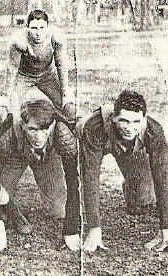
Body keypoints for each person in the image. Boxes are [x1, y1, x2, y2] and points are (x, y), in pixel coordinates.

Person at [0, 96, 81, 252]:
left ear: (53, 125)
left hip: (47, 157)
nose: (39, 137)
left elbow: (73, 181)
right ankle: (12, 210)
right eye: (33, 130)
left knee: (58, 209)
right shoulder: (8, 134)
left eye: (45, 129)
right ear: (22, 125)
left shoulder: (63, 134)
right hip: (15, 155)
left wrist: (71, 229)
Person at [79, 90, 168, 252]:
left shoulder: (153, 130)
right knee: (57, 208)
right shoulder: (95, 127)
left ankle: (130, 185)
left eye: (136, 121)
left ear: (144, 119)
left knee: (144, 199)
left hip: (129, 149)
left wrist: (166, 229)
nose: (129, 127)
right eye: (124, 121)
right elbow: (90, 175)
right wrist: (94, 228)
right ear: (114, 117)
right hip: (93, 143)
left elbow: (162, 176)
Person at [0, 9, 75, 144]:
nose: (38, 32)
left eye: (42, 28)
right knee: (2, 112)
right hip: (24, 76)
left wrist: (65, 93)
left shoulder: (56, 37)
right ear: (27, 28)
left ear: (48, 27)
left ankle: (70, 149)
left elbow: (61, 65)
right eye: (34, 28)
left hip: (47, 75)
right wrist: (6, 95)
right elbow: (12, 68)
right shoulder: (19, 40)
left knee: (70, 109)